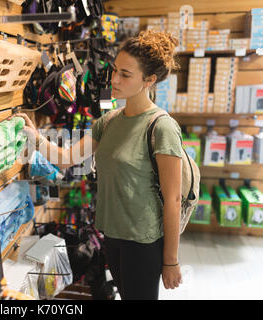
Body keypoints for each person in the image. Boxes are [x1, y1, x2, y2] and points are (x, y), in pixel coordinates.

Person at [13, 30, 184, 300]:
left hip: (143, 241)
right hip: (111, 235)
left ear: (149, 80)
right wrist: (35, 138)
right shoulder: (109, 121)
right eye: (115, 70)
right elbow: (67, 158)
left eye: (125, 75)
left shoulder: (162, 127)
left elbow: (173, 199)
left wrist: (171, 261)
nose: (114, 79)